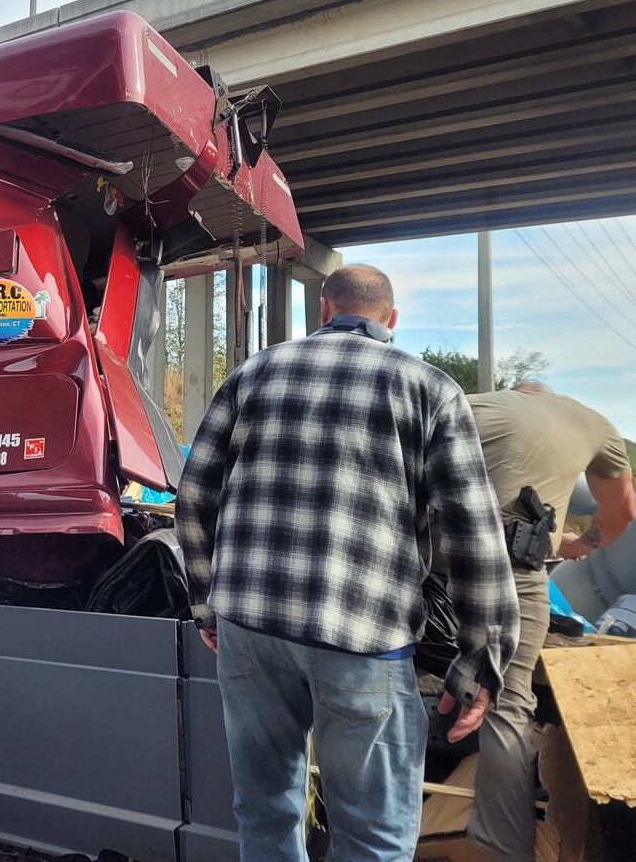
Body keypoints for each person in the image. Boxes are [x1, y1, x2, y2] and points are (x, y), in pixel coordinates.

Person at [177, 264, 520, 862]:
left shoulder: (254, 372)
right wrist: (480, 659)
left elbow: (195, 495)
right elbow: (474, 533)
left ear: (325, 312)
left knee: (265, 809)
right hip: (362, 636)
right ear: (391, 321)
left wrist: (207, 603)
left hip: (249, 630)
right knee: (372, 832)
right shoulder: (429, 388)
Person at [465, 382, 633, 860]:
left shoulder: (464, 405)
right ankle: (502, 850)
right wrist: (581, 545)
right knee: (506, 705)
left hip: (426, 571)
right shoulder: (592, 422)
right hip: (512, 580)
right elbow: (622, 511)